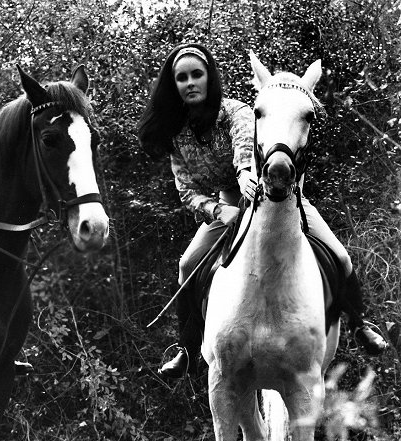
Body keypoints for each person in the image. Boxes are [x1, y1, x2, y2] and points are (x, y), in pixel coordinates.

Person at [137, 43, 388, 378]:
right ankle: (186, 348)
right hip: (226, 207)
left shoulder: (235, 111)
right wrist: (217, 210)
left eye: (197, 74)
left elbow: (245, 150)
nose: (191, 82)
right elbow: (186, 191)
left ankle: (358, 324)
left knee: (341, 256)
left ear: (210, 78)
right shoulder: (177, 135)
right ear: (175, 85)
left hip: (270, 195)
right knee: (187, 264)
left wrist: (245, 176)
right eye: (182, 78)